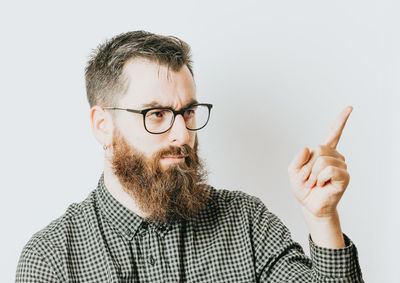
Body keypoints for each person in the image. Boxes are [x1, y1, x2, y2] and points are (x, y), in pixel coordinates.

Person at [16, 31, 364, 282]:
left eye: (188, 113)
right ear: (103, 125)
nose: (183, 135)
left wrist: (322, 219)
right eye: (156, 115)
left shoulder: (246, 223)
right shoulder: (51, 260)